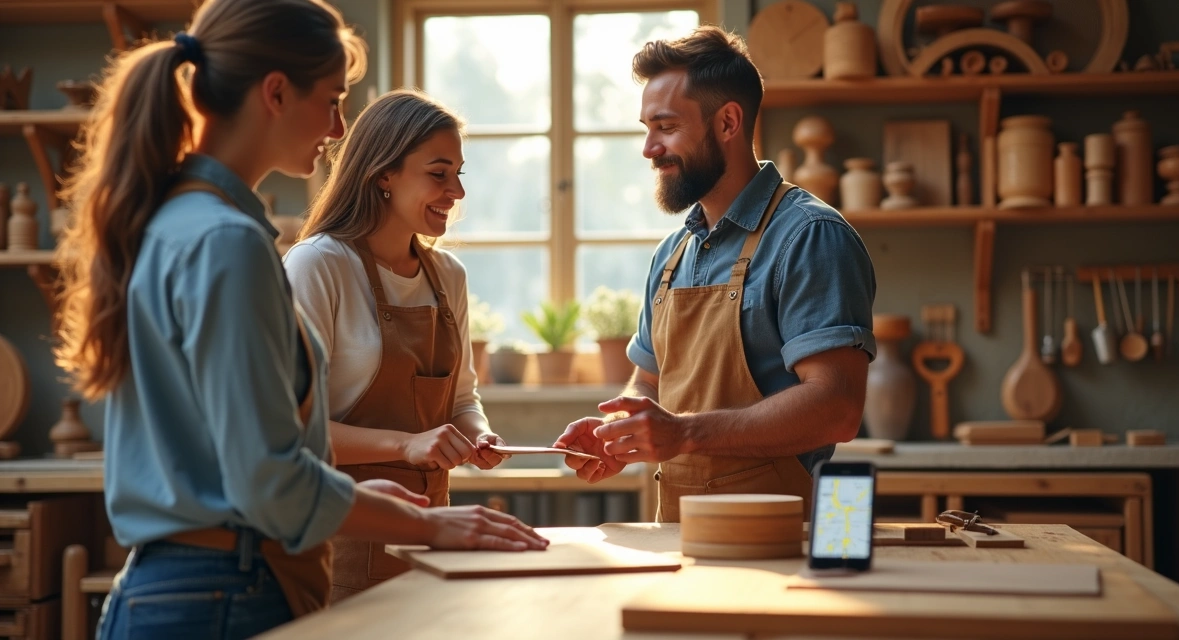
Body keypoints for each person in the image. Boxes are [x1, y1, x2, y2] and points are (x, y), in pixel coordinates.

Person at [53, 1, 546, 637]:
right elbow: (268, 482)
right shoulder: (227, 242)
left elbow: (246, 456)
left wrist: (368, 502)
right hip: (222, 593)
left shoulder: (177, 222)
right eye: (334, 99)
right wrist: (427, 523)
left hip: (188, 590)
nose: (340, 127)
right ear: (276, 93)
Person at [554, 25, 877, 522]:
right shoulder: (671, 254)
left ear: (727, 123)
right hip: (678, 536)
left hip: (785, 542)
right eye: (646, 127)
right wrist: (617, 431)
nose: (648, 148)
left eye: (664, 127)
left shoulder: (809, 236)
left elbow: (837, 407)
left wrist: (684, 432)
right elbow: (649, 382)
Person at [283, 89, 513, 601]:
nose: (456, 191)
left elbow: (461, 399)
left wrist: (478, 436)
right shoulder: (318, 265)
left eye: (459, 173)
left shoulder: (447, 275)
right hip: (337, 538)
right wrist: (407, 445)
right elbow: (294, 429)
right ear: (384, 173)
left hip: (432, 536)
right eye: (438, 173)